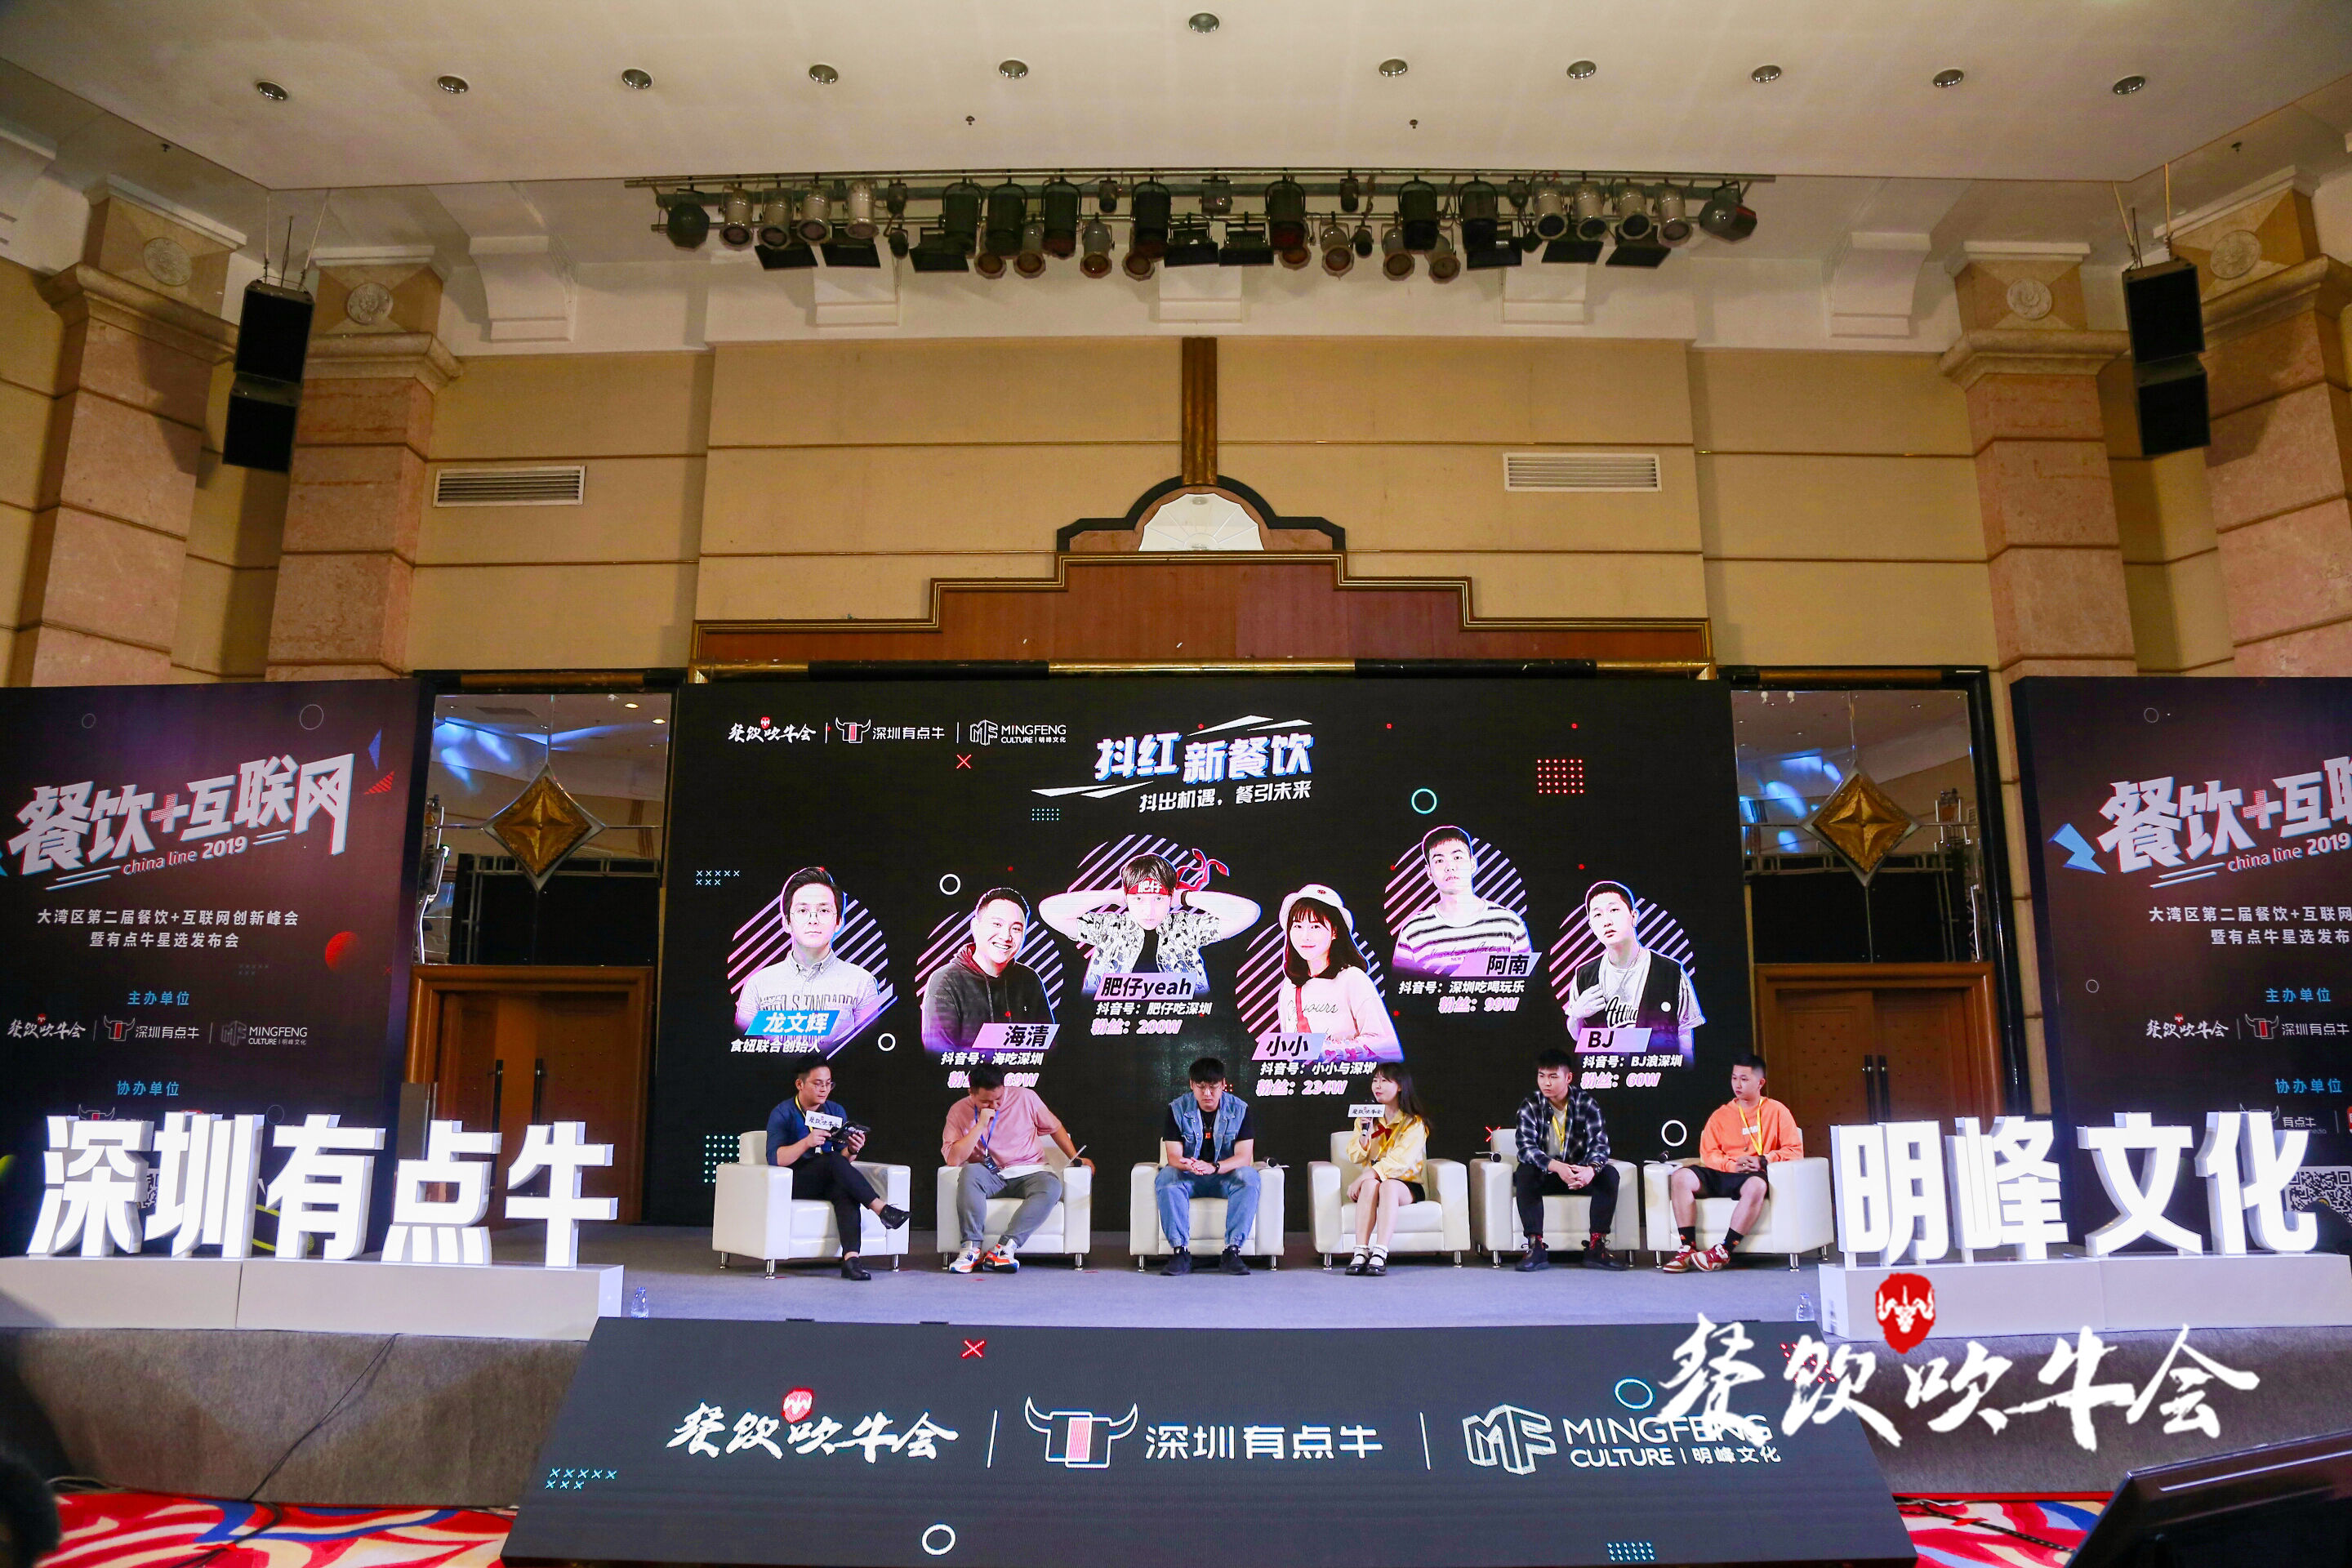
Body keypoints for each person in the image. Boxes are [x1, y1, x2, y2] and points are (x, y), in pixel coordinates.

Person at [764, 1058, 911, 1280]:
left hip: (827, 1175)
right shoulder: (783, 1112)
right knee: (831, 1160)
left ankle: (851, 1260)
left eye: (828, 1083)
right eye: (818, 1084)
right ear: (800, 1084)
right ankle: (881, 1208)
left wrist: (852, 1149)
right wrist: (806, 1142)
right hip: (794, 1180)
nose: (824, 1089)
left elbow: (843, 1161)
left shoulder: (835, 1110)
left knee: (844, 1189)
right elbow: (775, 1159)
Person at [941, 1062, 1092, 1274]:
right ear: (971, 1093)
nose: (994, 1106)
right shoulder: (958, 1111)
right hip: (989, 1173)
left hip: (1029, 1170)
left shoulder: (1026, 1097)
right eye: (986, 1102)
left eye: (998, 1099)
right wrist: (981, 1125)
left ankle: (1004, 1248)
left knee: (1051, 1186)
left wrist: (1075, 1158)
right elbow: (953, 1159)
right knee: (969, 1174)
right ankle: (971, 1248)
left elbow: (1055, 1127)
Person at [1040, 853, 1258, 997]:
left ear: (1170, 897)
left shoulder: (1185, 927)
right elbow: (1048, 911)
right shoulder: (1110, 927)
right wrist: (1114, 896)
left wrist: (1185, 897)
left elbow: (1249, 913)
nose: (1149, 911)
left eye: (1159, 899)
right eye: (1138, 899)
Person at [1664, 1052, 1803, 1273]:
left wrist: (1763, 1160)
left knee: (1757, 1185)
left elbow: (1794, 1151)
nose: (1737, 1084)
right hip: (1723, 1170)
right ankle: (1687, 1248)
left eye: (1744, 1079)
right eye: (1734, 1078)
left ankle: (1723, 1250)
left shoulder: (1777, 1111)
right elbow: (1708, 1154)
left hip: (1754, 1173)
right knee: (1681, 1177)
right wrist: (1731, 1165)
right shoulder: (1721, 1115)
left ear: (1760, 1083)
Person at [733, 866, 884, 1049]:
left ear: (839, 922)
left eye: (824, 911)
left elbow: (868, 1050)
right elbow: (745, 1048)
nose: (813, 920)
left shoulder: (862, 982)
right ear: (787, 922)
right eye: (803, 911)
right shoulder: (758, 984)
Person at [1510, 1048, 1628, 1271]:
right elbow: (1526, 1148)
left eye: (1553, 1077)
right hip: (1547, 1174)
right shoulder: (1531, 1105)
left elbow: (1600, 1145)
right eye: (1542, 1076)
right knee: (1525, 1171)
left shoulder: (1586, 1104)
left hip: (1578, 1174)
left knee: (1609, 1174)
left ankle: (1597, 1246)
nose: (1546, 1083)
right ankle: (1535, 1246)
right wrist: (1556, 1167)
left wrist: (1590, 1170)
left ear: (1568, 1078)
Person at [1563, 881, 1704, 1057]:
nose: (1607, 922)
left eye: (1614, 910)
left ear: (1634, 916)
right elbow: (1578, 1037)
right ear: (1591, 926)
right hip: (1606, 1070)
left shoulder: (1671, 973)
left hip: (1657, 1069)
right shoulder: (1584, 975)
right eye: (1598, 915)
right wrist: (1576, 1015)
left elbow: (1684, 1034)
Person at [1154, 1058, 1260, 1275]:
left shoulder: (1240, 1109)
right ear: (1191, 1085)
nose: (1207, 1093)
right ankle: (1180, 1251)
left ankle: (1232, 1251)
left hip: (1225, 1177)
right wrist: (1187, 1164)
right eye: (1201, 1087)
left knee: (1249, 1177)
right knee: (1167, 1177)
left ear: (1223, 1084)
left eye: (1213, 1087)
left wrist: (1215, 1167)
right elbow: (1173, 1156)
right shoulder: (1177, 1109)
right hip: (1191, 1176)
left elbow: (1243, 1157)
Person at [1275, 884, 1401, 1062]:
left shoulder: (1353, 979)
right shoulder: (1289, 986)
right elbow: (1290, 1053)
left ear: (1335, 931)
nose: (1305, 936)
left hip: (1348, 1078)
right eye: (1297, 926)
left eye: (1315, 927)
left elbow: (1384, 1046)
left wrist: (1327, 1050)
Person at [921, 888, 1055, 1054]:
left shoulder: (1029, 979)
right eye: (997, 924)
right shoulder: (946, 981)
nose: (1006, 936)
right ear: (975, 927)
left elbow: (1048, 1046)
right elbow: (939, 1055)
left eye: (1016, 929)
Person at [1392, 826, 1533, 978]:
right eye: (1439, 861)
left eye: (1457, 857)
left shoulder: (1509, 923)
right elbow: (1402, 988)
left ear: (1473, 864)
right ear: (1429, 872)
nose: (1450, 867)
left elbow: (1527, 986)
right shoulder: (1413, 930)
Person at [1341, 1062, 1429, 1277]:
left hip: (1405, 1184)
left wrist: (1362, 1177)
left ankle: (1380, 1252)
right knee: (1371, 1185)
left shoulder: (1414, 1123)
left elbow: (1400, 1161)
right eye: (1375, 1080)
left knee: (1387, 1186)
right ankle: (1360, 1251)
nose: (1377, 1086)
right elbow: (1354, 1156)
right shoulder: (1367, 1117)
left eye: (1384, 1081)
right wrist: (1365, 1133)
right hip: (1374, 1181)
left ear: (1400, 1086)